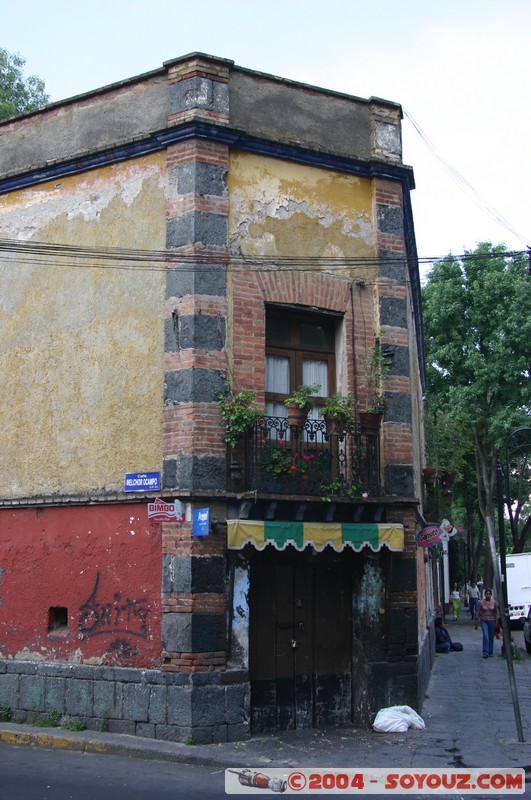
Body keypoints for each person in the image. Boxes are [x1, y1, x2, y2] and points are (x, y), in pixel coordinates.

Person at [475, 588, 499, 658]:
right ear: (485, 594)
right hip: (484, 620)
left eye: (489, 594)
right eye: (486, 594)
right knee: (485, 636)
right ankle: (485, 652)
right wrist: (477, 623)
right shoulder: (481, 602)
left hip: (492, 621)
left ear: (491, 595)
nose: (488, 595)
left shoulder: (494, 602)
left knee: (491, 637)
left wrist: (497, 622)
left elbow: (497, 613)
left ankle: (490, 651)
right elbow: (478, 612)